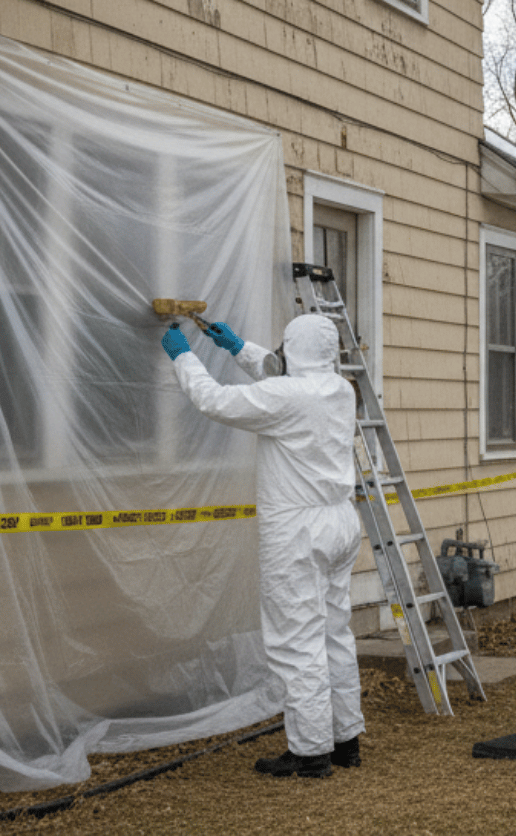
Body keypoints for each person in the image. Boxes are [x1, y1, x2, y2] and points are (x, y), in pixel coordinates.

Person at [161, 314, 365, 778]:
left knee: (299, 642)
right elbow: (284, 385)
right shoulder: (337, 390)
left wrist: (184, 356)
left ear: (294, 348)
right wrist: (237, 349)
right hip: (338, 524)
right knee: (334, 633)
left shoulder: (289, 396)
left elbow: (214, 400)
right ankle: (344, 739)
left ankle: (311, 752)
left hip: (298, 531)